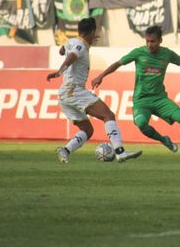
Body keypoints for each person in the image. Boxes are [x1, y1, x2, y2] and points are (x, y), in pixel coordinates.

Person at [91, 26, 180, 160]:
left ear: (160, 40)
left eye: (153, 41)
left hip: (160, 99)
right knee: (142, 124)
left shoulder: (167, 54)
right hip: (141, 101)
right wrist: (101, 76)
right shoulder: (138, 53)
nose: (150, 44)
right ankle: (163, 140)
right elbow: (118, 63)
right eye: (147, 41)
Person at [46, 18, 142, 164]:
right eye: (94, 32)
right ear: (91, 31)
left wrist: (77, 44)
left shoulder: (73, 42)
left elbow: (62, 51)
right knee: (108, 115)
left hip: (64, 94)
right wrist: (60, 71)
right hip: (75, 91)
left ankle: (65, 150)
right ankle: (120, 152)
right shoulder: (80, 46)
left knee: (87, 130)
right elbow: (72, 56)